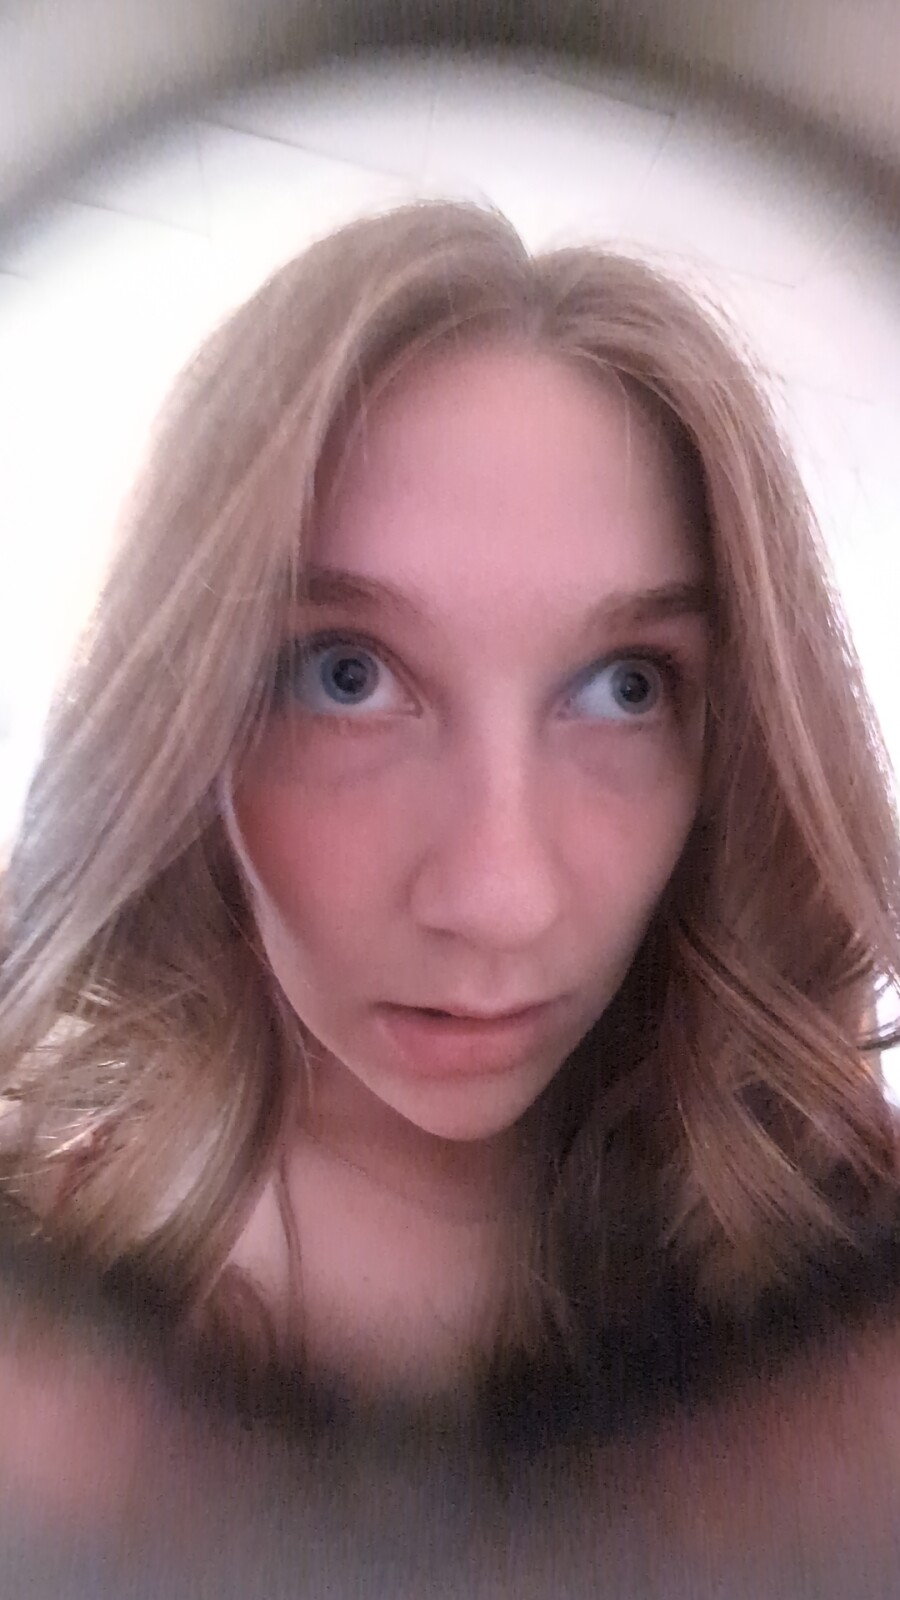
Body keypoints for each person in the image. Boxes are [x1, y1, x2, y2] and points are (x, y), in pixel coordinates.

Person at [0, 199, 898, 1439]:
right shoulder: (37, 1287)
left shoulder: (846, 1267)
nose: (497, 897)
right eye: (343, 676)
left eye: (626, 688)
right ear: (185, 719)